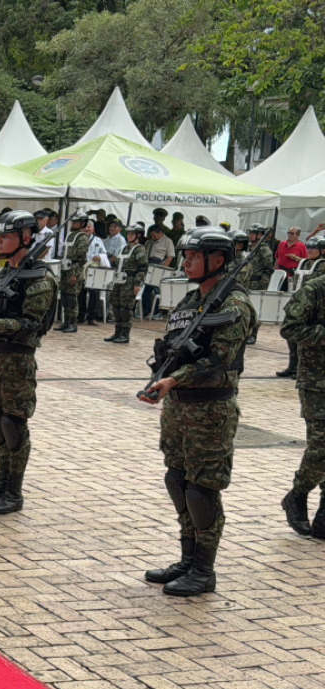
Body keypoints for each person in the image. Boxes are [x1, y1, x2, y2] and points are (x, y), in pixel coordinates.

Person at [140, 228, 254, 596]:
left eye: (193, 256)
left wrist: (175, 379)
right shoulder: (191, 300)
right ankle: (187, 559)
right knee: (178, 481)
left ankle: (204, 571)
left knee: (201, 491)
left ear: (218, 261)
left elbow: (219, 362)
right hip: (179, 409)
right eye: (185, 255)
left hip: (210, 411)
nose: (185, 261)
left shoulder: (234, 305)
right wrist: (162, 377)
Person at [0, 210, 58, 514]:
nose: (0, 240)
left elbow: (33, 324)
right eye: (0, 235)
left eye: (6, 236)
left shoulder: (40, 277)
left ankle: (14, 492)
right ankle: (1, 483)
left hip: (18, 361)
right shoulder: (2, 273)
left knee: (13, 423)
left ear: (26, 238)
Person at [280, 247, 325, 537]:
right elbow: (290, 328)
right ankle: (296, 495)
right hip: (317, 382)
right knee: (321, 448)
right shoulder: (315, 289)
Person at [277, 236, 325, 380]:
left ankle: (299, 368)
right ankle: (292, 366)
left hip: (313, 306)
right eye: (308, 247)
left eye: (313, 248)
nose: (309, 250)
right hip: (298, 302)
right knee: (292, 336)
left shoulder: (322, 265)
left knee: (305, 339)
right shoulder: (304, 263)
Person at [106, 222, 148, 344]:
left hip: (130, 281)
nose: (129, 235)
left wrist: (137, 284)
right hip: (119, 280)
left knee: (126, 309)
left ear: (138, 235)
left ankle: (125, 334)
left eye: (132, 233)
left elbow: (142, 268)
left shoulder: (139, 249)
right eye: (128, 233)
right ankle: (117, 332)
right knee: (116, 307)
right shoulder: (125, 249)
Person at [58, 212, 90, 333]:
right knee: (65, 298)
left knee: (71, 299)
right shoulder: (71, 236)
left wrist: (74, 274)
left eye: (76, 222)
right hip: (65, 271)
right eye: (73, 222)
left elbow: (81, 259)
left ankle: (72, 323)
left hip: (74, 272)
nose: (74, 224)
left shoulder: (82, 237)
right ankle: (66, 322)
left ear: (82, 223)